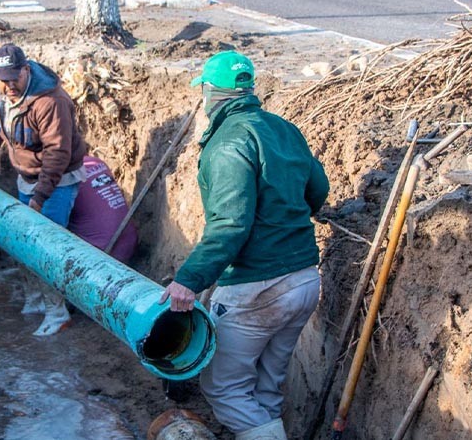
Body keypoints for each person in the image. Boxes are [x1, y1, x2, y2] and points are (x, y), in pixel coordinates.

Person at [159, 51, 329, 440]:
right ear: (247, 89)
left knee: (225, 389)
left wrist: (189, 280)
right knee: (266, 388)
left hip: (258, 286)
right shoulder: (282, 128)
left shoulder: (226, 144)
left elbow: (230, 226)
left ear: (209, 92)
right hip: (304, 280)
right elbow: (317, 189)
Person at [0, 44, 87, 336]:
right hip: (27, 176)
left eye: (14, 79)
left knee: (45, 248)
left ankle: (57, 312)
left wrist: (40, 197)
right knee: (23, 243)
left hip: (57, 181)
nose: (8, 86)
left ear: (26, 69)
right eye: (2, 79)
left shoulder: (50, 101)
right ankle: (35, 299)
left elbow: (58, 152)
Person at [68, 155, 138, 264]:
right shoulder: (95, 161)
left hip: (102, 254)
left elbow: (52, 225)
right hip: (130, 242)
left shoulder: (66, 176)